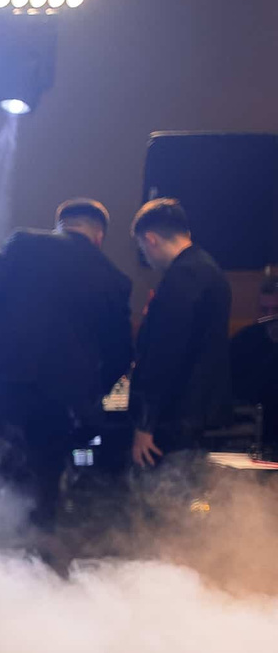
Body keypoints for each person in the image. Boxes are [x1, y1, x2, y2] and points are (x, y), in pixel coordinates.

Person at [0, 198, 134, 530]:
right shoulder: (114, 278)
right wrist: (92, 393)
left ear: (60, 225)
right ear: (99, 236)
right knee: (42, 489)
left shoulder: (24, 244)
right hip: (61, 400)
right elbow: (120, 353)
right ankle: (35, 552)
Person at [129, 199, 233, 471]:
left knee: (162, 493)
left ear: (150, 239)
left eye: (142, 248)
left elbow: (163, 355)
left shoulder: (181, 278)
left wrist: (145, 424)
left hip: (174, 417)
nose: (146, 257)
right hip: (199, 411)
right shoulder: (210, 269)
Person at [228, 273, 278, 455]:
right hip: (250, 434)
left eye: (276, 310)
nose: (270, 317)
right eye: (265, 310)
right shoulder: (246, 339)